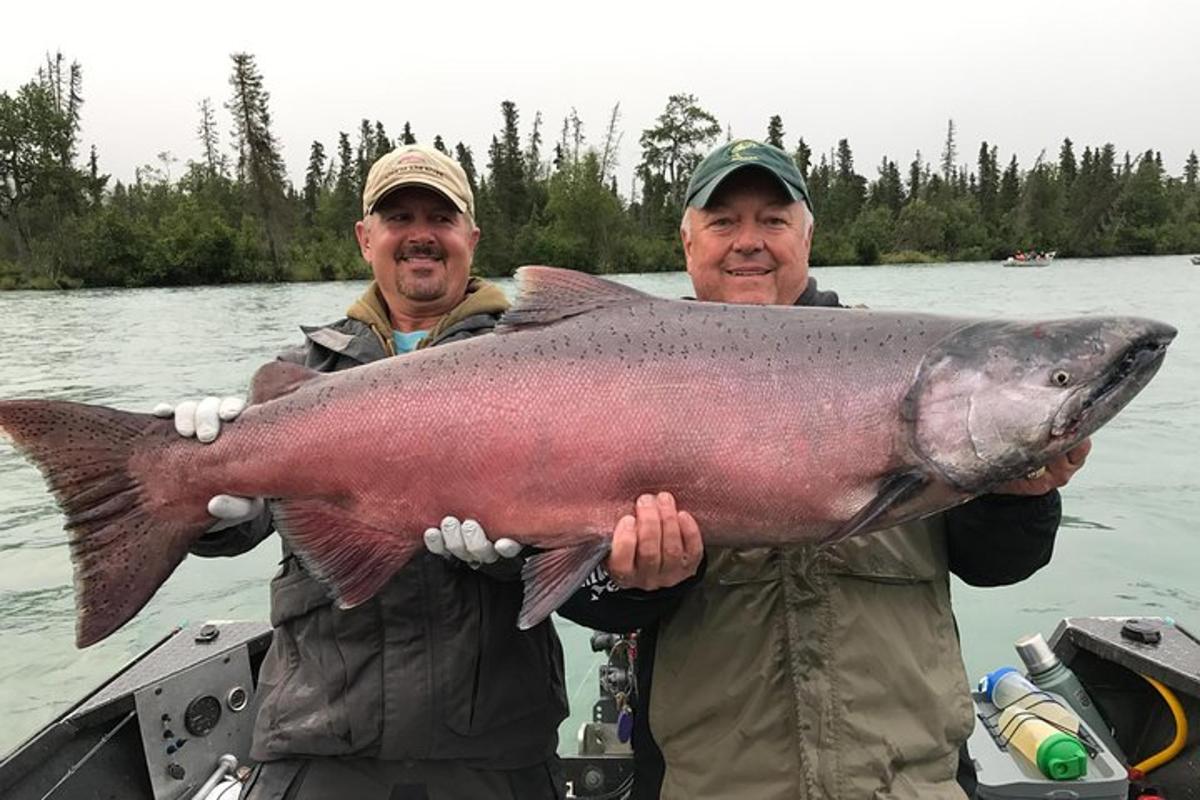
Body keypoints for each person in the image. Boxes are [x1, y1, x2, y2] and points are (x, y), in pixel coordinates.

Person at [447, 139, 1088, 799]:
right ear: (688, 243)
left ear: (807, 237)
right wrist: (640, 584)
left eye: (773, 220)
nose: (748, 241)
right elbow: (597, 609)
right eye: (723, 221)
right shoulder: (615, 374)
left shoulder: (918, 375)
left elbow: (999, 564)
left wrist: (1019, 494)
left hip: (906, 781)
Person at [163, 144, 571, 800]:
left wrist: (513, 555)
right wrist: (205, 503)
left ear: (471, 236)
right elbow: (252, 520)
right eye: (398, 216)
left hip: (495, 745)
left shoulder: (543, 364)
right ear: (365, 237)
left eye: (440, 218)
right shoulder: (302, 372)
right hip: (319, 738)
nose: (420, 235)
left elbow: (578, 543)